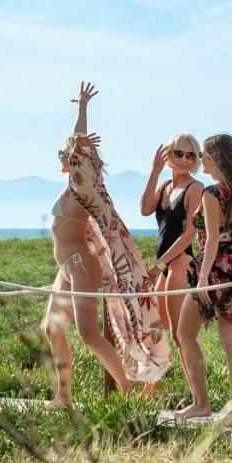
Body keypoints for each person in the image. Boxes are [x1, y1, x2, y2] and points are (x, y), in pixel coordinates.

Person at [42, 82, 171, 407]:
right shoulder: (72, 190)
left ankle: (127, 393)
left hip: (81, 266)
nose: (62, 157)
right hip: (67, 268)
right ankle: (64, 395)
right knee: (51, 329)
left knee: (88, 334)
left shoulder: (80, 190)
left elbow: (78, 151)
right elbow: (76, 150)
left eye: (66, 154)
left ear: (77, 160)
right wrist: (82, 111)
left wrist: (82, 123)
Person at [172, 134, 232, 420]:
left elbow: (212, 239)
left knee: (184, 334)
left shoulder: (211, 194)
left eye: (204, 154)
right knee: (231, 343)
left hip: (212, 270)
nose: (200, 158)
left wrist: (203, 278)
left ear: (216, 158)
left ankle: (201, 403)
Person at [140, 133, 205, 346]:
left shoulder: (195, 188)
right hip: (165, 266)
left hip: (180, 265)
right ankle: (151, 381)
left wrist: (159, 266)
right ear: (169, 153)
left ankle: (194, 381)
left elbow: (189, 235)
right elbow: (145, 210)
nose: (184, 160)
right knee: (157, 334)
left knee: (180, 337)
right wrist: (154, 172)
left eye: (190, 156)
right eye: (178, 153)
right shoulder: (165, 185)